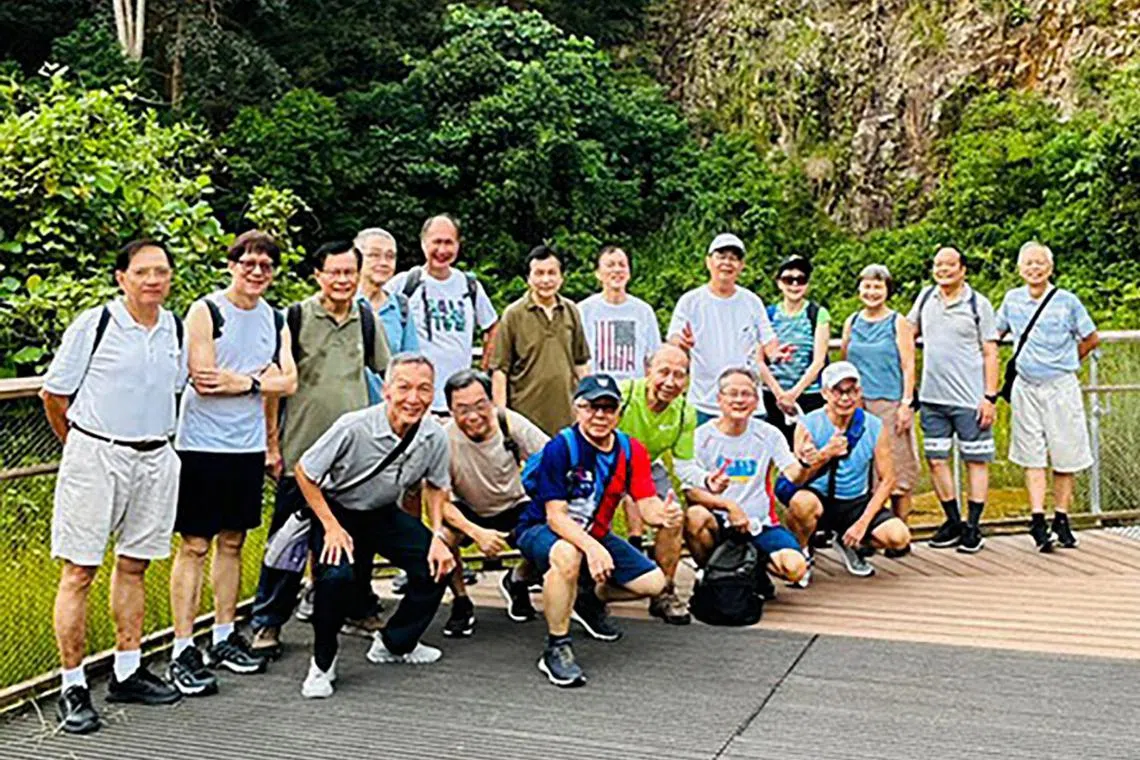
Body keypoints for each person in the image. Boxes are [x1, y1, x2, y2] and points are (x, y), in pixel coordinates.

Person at [40, 240, 186, 733]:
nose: (153, 280)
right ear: (121, 277)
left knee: (135, 565)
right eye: (142, 272)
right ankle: (72, 685)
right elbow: (54, 394)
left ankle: (127, 669)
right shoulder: (95, 323)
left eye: (161, 272)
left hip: (156, 456)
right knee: (79, 570)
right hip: (97, 454)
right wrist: (81, 445)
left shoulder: (174, 327)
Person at [167, 231, 298, 696]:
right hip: (202, 444)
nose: (256, 271)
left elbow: (289, 382)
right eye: (248, 263)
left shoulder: (274, 317)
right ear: (232, 265)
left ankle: (224, 634)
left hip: (246, 446)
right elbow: (204, 380)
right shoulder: (207, 310)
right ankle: (183, 646)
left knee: (233, 541)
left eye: (265, 265)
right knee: (195, 544)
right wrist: (258, 381)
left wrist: (246, 390)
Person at [250, 241, 391, 659]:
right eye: (335, 272)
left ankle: (356, 607)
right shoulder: (293, 318)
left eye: (350, 272)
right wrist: (272, 444)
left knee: (356, 536)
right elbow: (273, 388)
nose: (343, 281)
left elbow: (388, 373)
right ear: (318, 275)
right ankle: (268, 622)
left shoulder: (366, 318)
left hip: (354, 458)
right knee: (287, 542)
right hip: (302, 451)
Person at [295, 354, 456, 699]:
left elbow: (437, 486)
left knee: (437, 566)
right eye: (404, 387)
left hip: (382, 512)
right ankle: (323, 663)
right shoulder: (354, 427)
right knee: (336, 579)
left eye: (424, 389)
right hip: (336, 511)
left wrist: (439, 535)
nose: (413, 398)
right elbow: (305, 473)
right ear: (386, 390)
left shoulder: (433, 435)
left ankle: (395, 643)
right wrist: (331, 526)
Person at [516, 374, 684, 688]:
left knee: (654, 582)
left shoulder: (630, 450)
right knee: (568, 554)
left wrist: (664, 515)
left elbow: (646, 503)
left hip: (594, 531)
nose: (600, 415)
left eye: (609, 408)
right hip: (542, 528)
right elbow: (555, 517)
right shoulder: (562, 447)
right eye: (592, 407)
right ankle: (557, 646)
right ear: (578, 408)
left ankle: (589, 596)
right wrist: (593, 548)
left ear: (618, 413)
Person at [996, 242, 1099, 552]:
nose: (1034, 268)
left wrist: (1068, 362)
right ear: (1019, 268)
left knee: (1065, 453)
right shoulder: (1012, 300)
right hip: (1026, 386)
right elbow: (994, 333)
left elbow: (1090, 338)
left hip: (1060, 385)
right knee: (1032, 453)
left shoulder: (1068, 302)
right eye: (1028, 263)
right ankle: (1037, 518)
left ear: (1050, 268)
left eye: (1040, 263)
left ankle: (1063, 518)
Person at [439, 369, 549, 637]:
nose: (473, 416)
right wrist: (477, 533)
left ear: (492, 401)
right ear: (450, 411)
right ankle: (461, 601)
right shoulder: (442, 440)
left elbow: (554, 459)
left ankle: (518, 578)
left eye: (480, 406)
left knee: (553, 532)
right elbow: (439, 503)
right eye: (462, 409)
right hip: (468, 509)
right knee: (441, 539)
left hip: (514, 503)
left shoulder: (510, 424)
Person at [683, 368, 812, 592]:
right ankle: (711, 572)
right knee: (695, 516)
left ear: (756, 400)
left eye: (746, 394)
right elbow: (690, 491)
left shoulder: (769, 434)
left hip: (760, 524)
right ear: (719, 399)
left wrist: (805, 462)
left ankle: (753, 572)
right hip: (720, 523)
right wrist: (728, 506)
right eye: (732, 394)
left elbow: (793, 474)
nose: (739, 400)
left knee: (796, 568)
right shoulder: (702, 437)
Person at [907, 247, 999, 553]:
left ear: (962, 270)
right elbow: (907, 332)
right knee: (936, 460)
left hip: (970, 399)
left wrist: (989, 397)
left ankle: (973, 525)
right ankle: (952, 520)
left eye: (949, 265)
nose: (943, 270)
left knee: (976, 460)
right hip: (932, 397)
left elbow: (990, 352)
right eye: (938, 265)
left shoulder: (977, 304)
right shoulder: (925, 299)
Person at [783, 362, 912, 579]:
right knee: (801, 504)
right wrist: (824, 454)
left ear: (859, 392)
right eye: (838, 391)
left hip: (854, 501)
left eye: (851, 391)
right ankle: (804, 551)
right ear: (825, 393)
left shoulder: (873, 426)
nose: (845, 398)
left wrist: (862, 524)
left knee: (898, 537)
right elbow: (797, 479)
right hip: (818, 496)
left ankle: (851, 543)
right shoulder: (808, 424)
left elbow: (888, 479)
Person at [615, 344, 705, 625]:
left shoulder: (684, 413)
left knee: (673, 516)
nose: (670, 382)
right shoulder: (622, 394)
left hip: (647, 466)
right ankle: (587, 587)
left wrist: (706, 481)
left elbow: (684, 464)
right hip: (607, 462)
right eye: (663, 372)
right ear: (647, 371)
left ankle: (663, 590)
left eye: (679, 375)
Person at [384, 214, 497, 416]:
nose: (442, 250)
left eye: (449, 243)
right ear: (423, 243)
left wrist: (483, 371)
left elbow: (493, 327)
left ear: (458, 245)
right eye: (436, 242)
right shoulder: (404, 284)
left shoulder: (469, 285)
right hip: (413, 400)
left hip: (459, 400)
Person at [667, 233, 784, 426]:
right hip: (703, 401)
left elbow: (768, 338)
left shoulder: (752, 301)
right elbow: (674, 338)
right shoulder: (691, 301)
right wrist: (682, 343)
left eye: (733, 258)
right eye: (721, 256)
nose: (727, 263)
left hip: (746, 400)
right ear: (708, 261)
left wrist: (776, 353)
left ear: (741, 266)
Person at [842, 265, 919, 524]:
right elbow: (845, 362)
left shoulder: (898, 322)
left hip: (890, 402)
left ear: (887, 290)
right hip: (857, 407)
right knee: (865, 468)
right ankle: (870, 527)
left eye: (877, 286)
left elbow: (908, 365)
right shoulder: (851, 322)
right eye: (867, 286)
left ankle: (901, 528)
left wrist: (906, 403)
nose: (871, 292)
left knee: (897, 467)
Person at [491, 245, 590, 436]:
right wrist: (501, 417)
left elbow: (581, 363)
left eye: (552, 273)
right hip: (525, 417)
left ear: (561, 277)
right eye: (539, 273)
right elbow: (500, 370)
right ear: (529, 278)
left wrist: (588, 404)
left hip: (567, 417)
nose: (546, 280)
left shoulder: (571, 311)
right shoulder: (513, 314)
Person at [758, 255, 831, 445]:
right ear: (779, 283)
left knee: (808, 451)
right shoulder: (767, 315)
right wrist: (779, 394)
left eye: (801, 279)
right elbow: (758, 360)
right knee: (772, 454)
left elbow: (818, 361)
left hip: (809, 396)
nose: (795, 285)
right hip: (771, 396)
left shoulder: (817, 314)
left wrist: (793, 394)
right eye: (789, 279)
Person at [578, 245, 662, 381]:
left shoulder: (643, 311)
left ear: (629, 272)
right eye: (610, 265)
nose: (617, 270)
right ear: (598, 273)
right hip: (595, 392)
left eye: (622, 265)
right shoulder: (583, 310)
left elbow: (654, 358)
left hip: (632, 393)